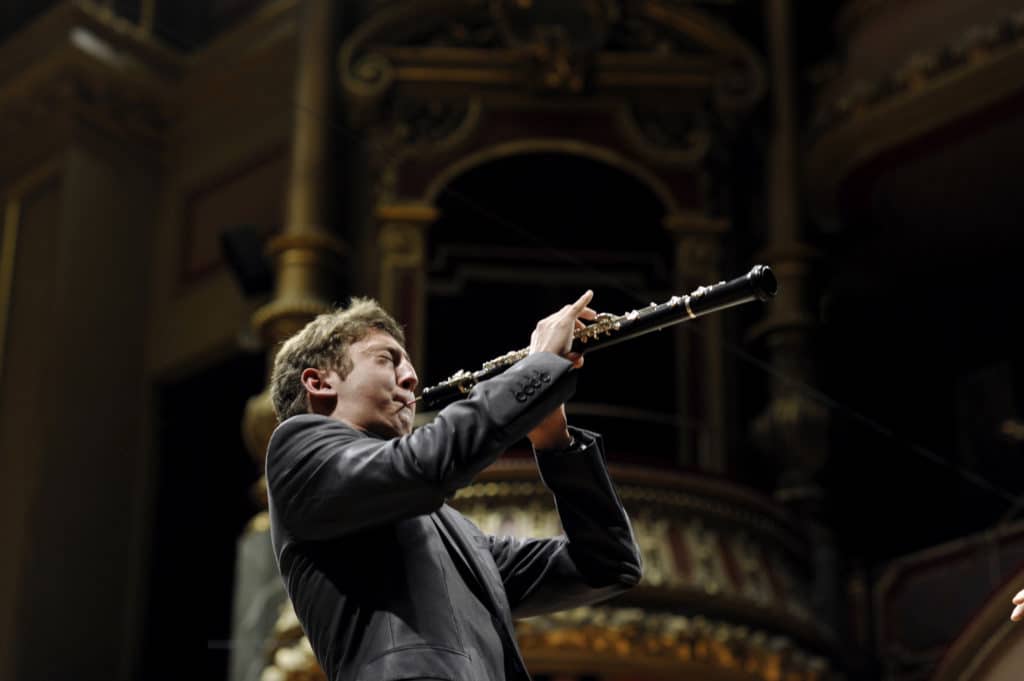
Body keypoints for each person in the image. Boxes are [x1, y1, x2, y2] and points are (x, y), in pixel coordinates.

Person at [265, 291, 642, 681]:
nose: (410, 378)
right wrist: (538, 369)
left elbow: (609, 564)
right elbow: (425, 465)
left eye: (407, 365)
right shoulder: (298, 452)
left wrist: (554, 439)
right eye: (387, 359)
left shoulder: (457, 532)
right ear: (319, 382)